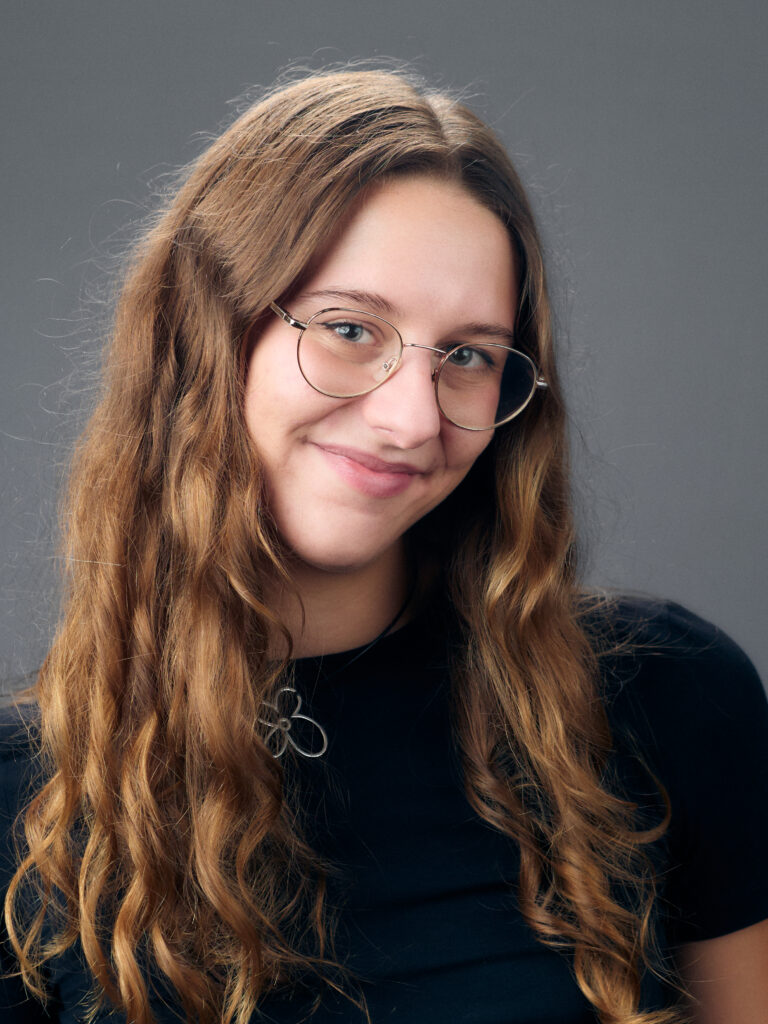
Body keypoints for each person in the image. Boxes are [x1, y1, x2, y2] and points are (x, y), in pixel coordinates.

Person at [1, 69, 767, 1024]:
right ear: (201, 339)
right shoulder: (26, 805)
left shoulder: (666, 695)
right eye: (350, 329)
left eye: (470, 355)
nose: (412, 420)